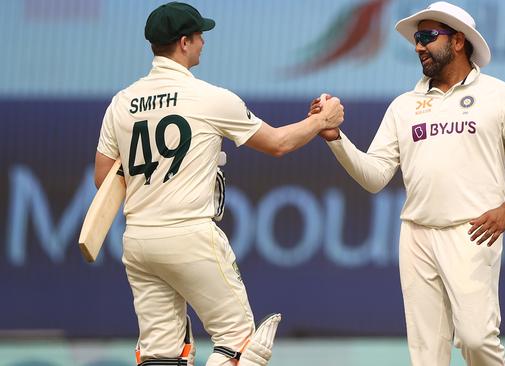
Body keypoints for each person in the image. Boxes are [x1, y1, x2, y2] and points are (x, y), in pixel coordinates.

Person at [93, 2, 344, 366]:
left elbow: (104, 178)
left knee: (161, 354)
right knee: (240, 344)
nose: (203, 43)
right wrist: (322, 121)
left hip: (139, 240)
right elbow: (277, 144)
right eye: (199, 36)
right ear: (184, 42)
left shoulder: (121, 103)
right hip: (190, 233)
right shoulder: (209, 97)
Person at [311, 2, 505, 365]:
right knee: (426, 355)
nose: (418, 46)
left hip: (473, 231)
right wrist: (335, 138)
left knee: (476, 339)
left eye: (426, 37)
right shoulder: (404, 105)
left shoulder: (501, 95)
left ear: (457, 41)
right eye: (416, 39)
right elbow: (375, 176)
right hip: (417, 235)